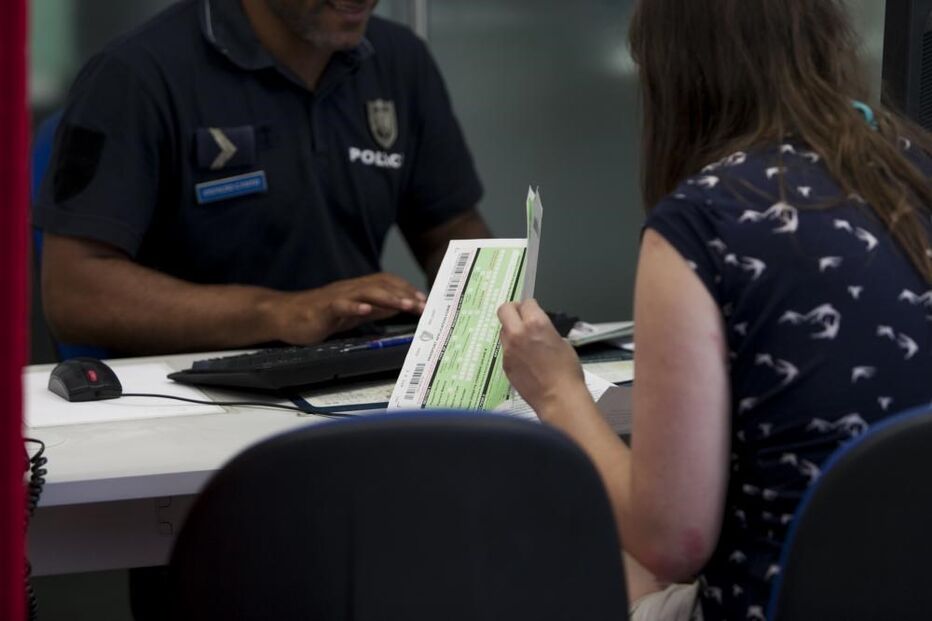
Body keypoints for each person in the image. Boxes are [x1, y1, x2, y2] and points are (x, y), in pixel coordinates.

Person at [498, 1, 932, 620]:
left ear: (673, 74)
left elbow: (673, 540)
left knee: (559, 546)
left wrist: (557, 389)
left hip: (775, 604)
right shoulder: (915, 168)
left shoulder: (704, 221)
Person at [35, 0, 490, 356]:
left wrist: (496, 317)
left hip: (352, 374)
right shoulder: (136, 74)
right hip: (189, 389)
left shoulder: (399, 59)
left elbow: (450, 227)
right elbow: (76, 294)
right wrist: (279, 313)